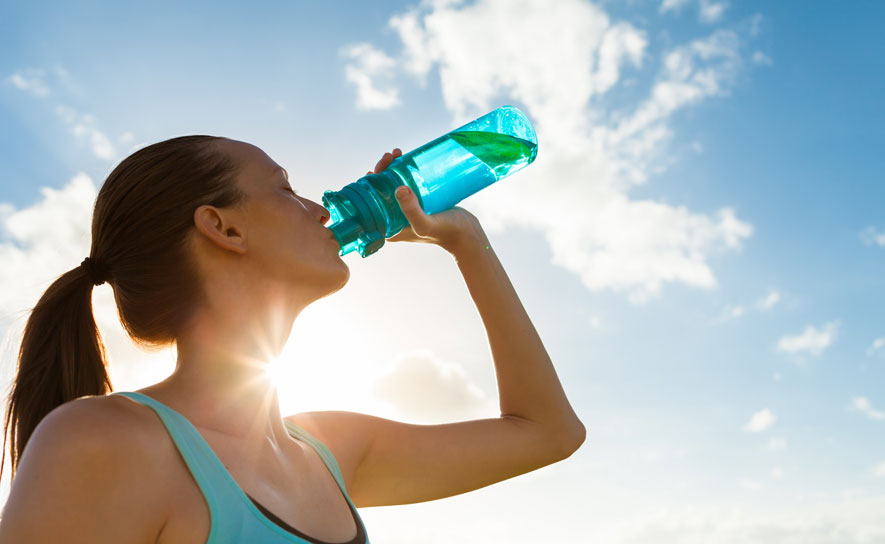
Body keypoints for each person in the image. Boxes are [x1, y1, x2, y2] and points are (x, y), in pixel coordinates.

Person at [0, 135, 586, 543]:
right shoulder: (103, 442)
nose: (318, 208)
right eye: (285, 189)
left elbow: (549, 433)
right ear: (223, 227)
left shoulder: (329, 451)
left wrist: (465, 242)